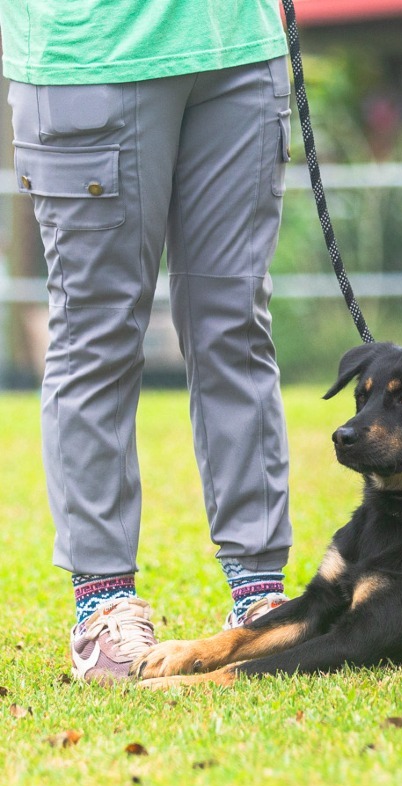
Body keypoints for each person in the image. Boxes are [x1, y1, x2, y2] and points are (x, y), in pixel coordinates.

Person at [0, 1, 294, 679]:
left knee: (236, 329)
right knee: (97, 336)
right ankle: (102, 605)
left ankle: (259, 593)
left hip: (238, 47)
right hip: (92, 52)